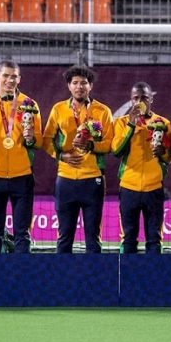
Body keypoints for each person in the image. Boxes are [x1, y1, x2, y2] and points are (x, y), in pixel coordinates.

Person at [43, 65, 113, 254]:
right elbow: (46, 140)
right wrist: (60, 155)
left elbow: (110, 144)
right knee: (64, 236)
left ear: (90, 86)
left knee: (93, 238)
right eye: (75, 83)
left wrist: (92, 146)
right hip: (65, 179)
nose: (79, 86)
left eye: (84, 83)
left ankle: (94, 280)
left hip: (93, 179)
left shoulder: (103, 111)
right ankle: (62, 279)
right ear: (69, 86)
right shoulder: (58, 109)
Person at [0, 60, 42, 254]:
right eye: (5, 75)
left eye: (14, 76)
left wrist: (31, 138)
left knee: (22, 232)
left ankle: (21, 276)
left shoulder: (30, 104)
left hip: (22, 175)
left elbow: (37, 142)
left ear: (19, 79)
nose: (9, 80)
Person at [111, 82, 171, 254]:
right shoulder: (122, 123)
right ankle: (126, 277)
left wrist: (162, 152)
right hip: (129, 187)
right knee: (129, 237)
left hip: (154, 188)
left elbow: (169, 158)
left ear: (151, 99)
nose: (140, 101)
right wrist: (131, 125)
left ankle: (153, 278)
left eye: (144, 98)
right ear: (131, 100)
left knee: (154, 238)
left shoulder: (163, 123)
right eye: (136, 98)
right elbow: (116, 151)